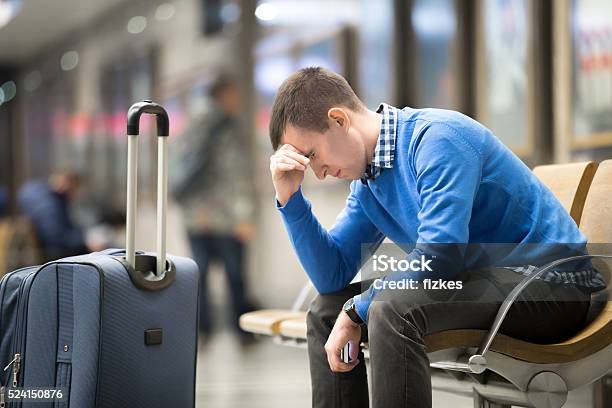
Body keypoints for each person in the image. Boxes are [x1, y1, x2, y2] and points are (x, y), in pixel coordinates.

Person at [268, 67, 606, 408]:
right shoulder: (368, 184)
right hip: (486, 283)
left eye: (310, 155)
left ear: (339, 120)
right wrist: (290, 200)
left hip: (553, 285)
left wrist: (358, 309)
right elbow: (331, 276)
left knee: (389, 307)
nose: (318, 173)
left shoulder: (437, 139)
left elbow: (440, 256)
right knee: (327, 311)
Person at [171, 74, 256, 342]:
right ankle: (242, 330)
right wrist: (244, 216)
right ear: (224, 95)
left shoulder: (190, 123)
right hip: (225, 218)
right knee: (235, 276)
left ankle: (202, 330)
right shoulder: (227, 127)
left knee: (200, 275)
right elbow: (236, 175)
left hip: (195, 216)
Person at [18, 171, 93, 261]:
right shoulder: (50, 205)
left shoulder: (36, 191)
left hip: (50, 249)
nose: (74, 197)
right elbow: (56, 238)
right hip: (52, 255)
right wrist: (85, 240)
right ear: (67, 185)